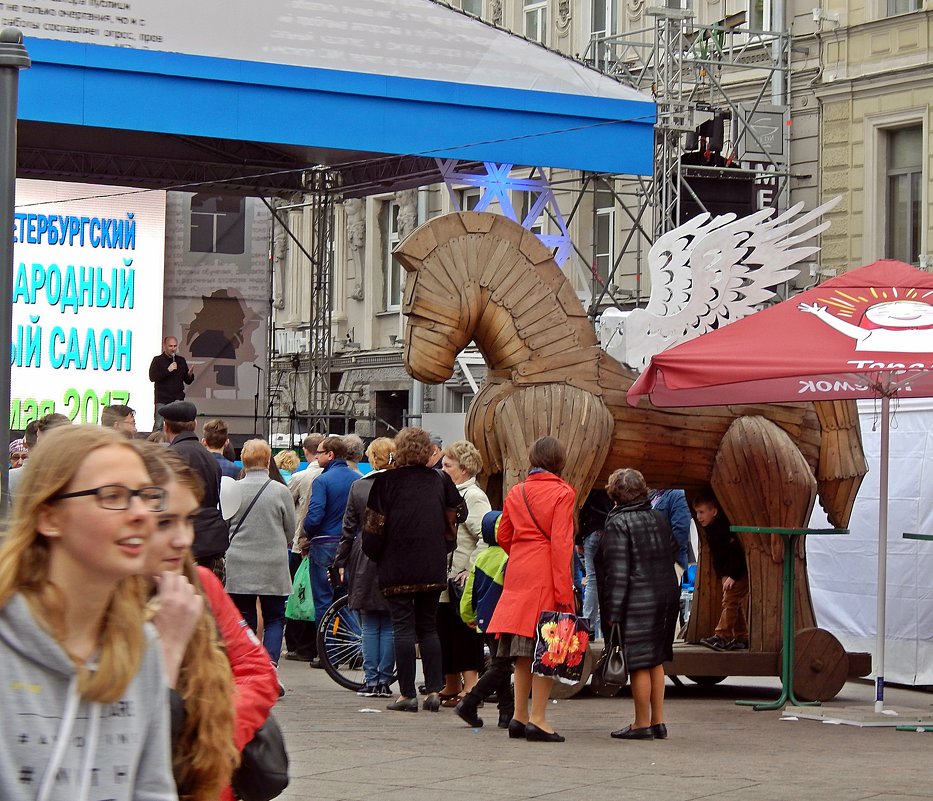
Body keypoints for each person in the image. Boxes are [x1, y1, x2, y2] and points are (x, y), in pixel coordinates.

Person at [0, 425, 178, 801]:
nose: (142, 514)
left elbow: (153, 789)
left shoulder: (138, 643)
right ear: (49, 517)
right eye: (112, 496)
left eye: (146, 496)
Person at [140, 445, 279, 801]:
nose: (185, 538)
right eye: (165, 521)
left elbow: (256, 671)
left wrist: (214, 736)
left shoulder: (201, 584)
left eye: (188, 519)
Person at [362, 427, 466, 713]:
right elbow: (461, 511)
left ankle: (407, 693)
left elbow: (373, 528)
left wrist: (377, 554)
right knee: (428, 627)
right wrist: (444, 537)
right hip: (431, 562)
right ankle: (433, 688)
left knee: (402, 628)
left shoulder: (386, 482)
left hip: (397, 563)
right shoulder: (440, 480)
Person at [485, 435, 575, 743]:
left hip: (518, 574)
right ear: (559, 461)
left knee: (523, 652)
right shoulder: (563, 493)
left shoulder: (517, 491)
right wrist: (565, 595)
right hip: (546, 576)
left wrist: (523, 551)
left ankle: (519, 716)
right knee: (547, 651)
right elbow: (562, 546)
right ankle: (538, 718)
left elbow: (504, 535)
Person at [595, 468, 680, 741]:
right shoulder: (658, 518)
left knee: (639, 663)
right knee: (656, 661)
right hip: (665, 596)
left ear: (615, 494)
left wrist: (613, 611)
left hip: (637, 600)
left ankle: (641, 723)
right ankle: (658, 721)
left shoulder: (618, 523)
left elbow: (617, 573)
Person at [334, 436, 397, 698]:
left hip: (363, 554)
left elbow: (348, 527)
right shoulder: (399, 486)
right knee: (392, 621)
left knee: (369, 621)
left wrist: (340, 560)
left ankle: (371, 680)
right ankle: (385, 679)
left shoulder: (359, 487)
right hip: (394, 554)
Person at [226, 439, 296, 675]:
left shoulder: (232, 489)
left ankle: (248, 664)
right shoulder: (280, 490)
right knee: (275, 617)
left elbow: (224, 525)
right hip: (273, 562)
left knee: (244, 616)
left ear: (243, 461)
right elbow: (290, 529)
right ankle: (270, 665)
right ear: (268, 461)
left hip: (239, 560)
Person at [438, 439, 491, 705]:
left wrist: (471, 567)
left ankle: (471, 687)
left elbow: (487, 533)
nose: (442, 468)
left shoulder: (472, 496)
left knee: (462, 633)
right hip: (446, 577)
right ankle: (451, 684)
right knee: (445, 631)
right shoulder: (452, 493)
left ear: (464, 468)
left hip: (460, 579)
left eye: (448, 465)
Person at [455, 510, 515, 729]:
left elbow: (470, 592)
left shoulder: (480, 557)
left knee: (501, 664)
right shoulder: (510, 557)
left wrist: (469, 616)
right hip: (505, 619)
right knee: (501, 665)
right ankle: (469, 702)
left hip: (485, 620)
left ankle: (506, 713)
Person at [162, 400, 229, 577]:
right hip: (210, 542)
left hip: (182, 543)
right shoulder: (210, 458)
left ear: (165, 427)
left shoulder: (169, 457)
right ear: (195, 425)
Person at [303, 436, 358, 627]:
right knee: (347, 599)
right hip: (350, 543)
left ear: (330, 454)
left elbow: (314, 516)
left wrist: (307, 532)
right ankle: (352, 649)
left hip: (324, 543)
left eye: (319, 452)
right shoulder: (357, 479)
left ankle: (328, 652)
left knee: (323, 600)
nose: (316, 457)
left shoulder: (322, 481)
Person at [283, 433, 324, 662]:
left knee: (298, 594)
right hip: (327, 543)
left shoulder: (301, 477)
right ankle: (319, 645)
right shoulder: (352, 475)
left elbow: (289, 506)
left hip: (303, 543)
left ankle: (300, 646)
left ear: (306, 451)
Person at [694, 490, 749, 652]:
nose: (698, 517)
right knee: (734, 602)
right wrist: (724, 575)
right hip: (731, 572)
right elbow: (718, 558)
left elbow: (736, 553)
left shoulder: (723, 529)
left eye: (702, 512)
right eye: (697, 512)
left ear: (714, 511)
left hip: (738, 571)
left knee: (730, 601)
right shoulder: (712, 530)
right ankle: (742, 637)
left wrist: (732, 575)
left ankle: (722, 636)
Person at [579, 488, 613, 640]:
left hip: (592, 531)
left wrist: (578, 539)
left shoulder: (590, 489)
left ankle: (589, 626)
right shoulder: (611, 489)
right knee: (611, 579)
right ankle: (610, 623)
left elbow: (582, 513)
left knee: (592, 579)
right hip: (611, 530)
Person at [150, 335, 195, 429]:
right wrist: (168, 370)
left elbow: (187, 381)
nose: (173, 349)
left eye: (175, 346)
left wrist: (190, 375)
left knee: (178, 425)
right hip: (162, 399)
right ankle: (155, 443)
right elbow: (152, 377)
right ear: (164, 346)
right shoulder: (157, 360)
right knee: (159, 424)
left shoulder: (181, 361)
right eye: (170, 346)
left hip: (177, 398)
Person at [649, 487, 693, 575]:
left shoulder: (678, 495)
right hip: (653, 561)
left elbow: (680, 530)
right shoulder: (653, 495)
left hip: (673, 561)